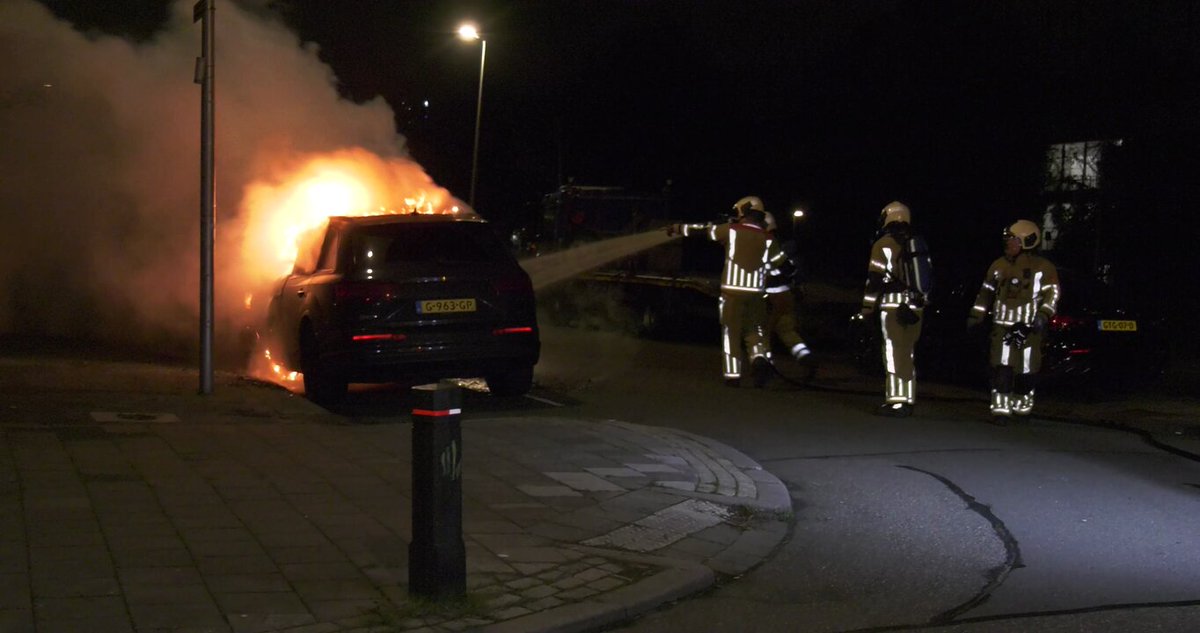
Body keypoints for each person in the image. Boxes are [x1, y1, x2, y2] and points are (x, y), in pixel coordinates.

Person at [667, 196, 784, 388]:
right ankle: (758, 359)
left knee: (731, 334)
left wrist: (678, 228)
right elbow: (782, 264)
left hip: (732, 293)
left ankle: (733, 376)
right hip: (756, 293)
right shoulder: (767, 238)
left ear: (743, 211)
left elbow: (704, 232)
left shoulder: (731, 231)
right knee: (754, 332)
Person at [967, 219, 1061, 425]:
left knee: (1027, 369)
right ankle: (1001, 410)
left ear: (1026, 241)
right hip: (1002, 327)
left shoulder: (1043, 268)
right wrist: (976, 317)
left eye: (1013, 239)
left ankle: (1023, 408)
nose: (1008, 243)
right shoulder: (998, 266)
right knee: (1001, 368)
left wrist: (1043, 315)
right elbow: (985, 294)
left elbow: (1052, 294)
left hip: (1029, 329)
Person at [860, 201, 926, 417]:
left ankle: (897, 402)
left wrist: (867, 309)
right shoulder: (915, 244)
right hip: (915, 309)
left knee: (893, 353)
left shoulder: (882, 244)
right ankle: (908, 398)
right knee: (908, 353)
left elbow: (874, 281)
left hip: (893, 307)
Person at [762, 211, 812, 363]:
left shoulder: (764, 242)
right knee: (786, 330)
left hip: (770, 297)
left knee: (761, 333)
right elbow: (789, 269)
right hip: (785, 294)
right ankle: (805, 356)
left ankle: (765, 365)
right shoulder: (777, 243)